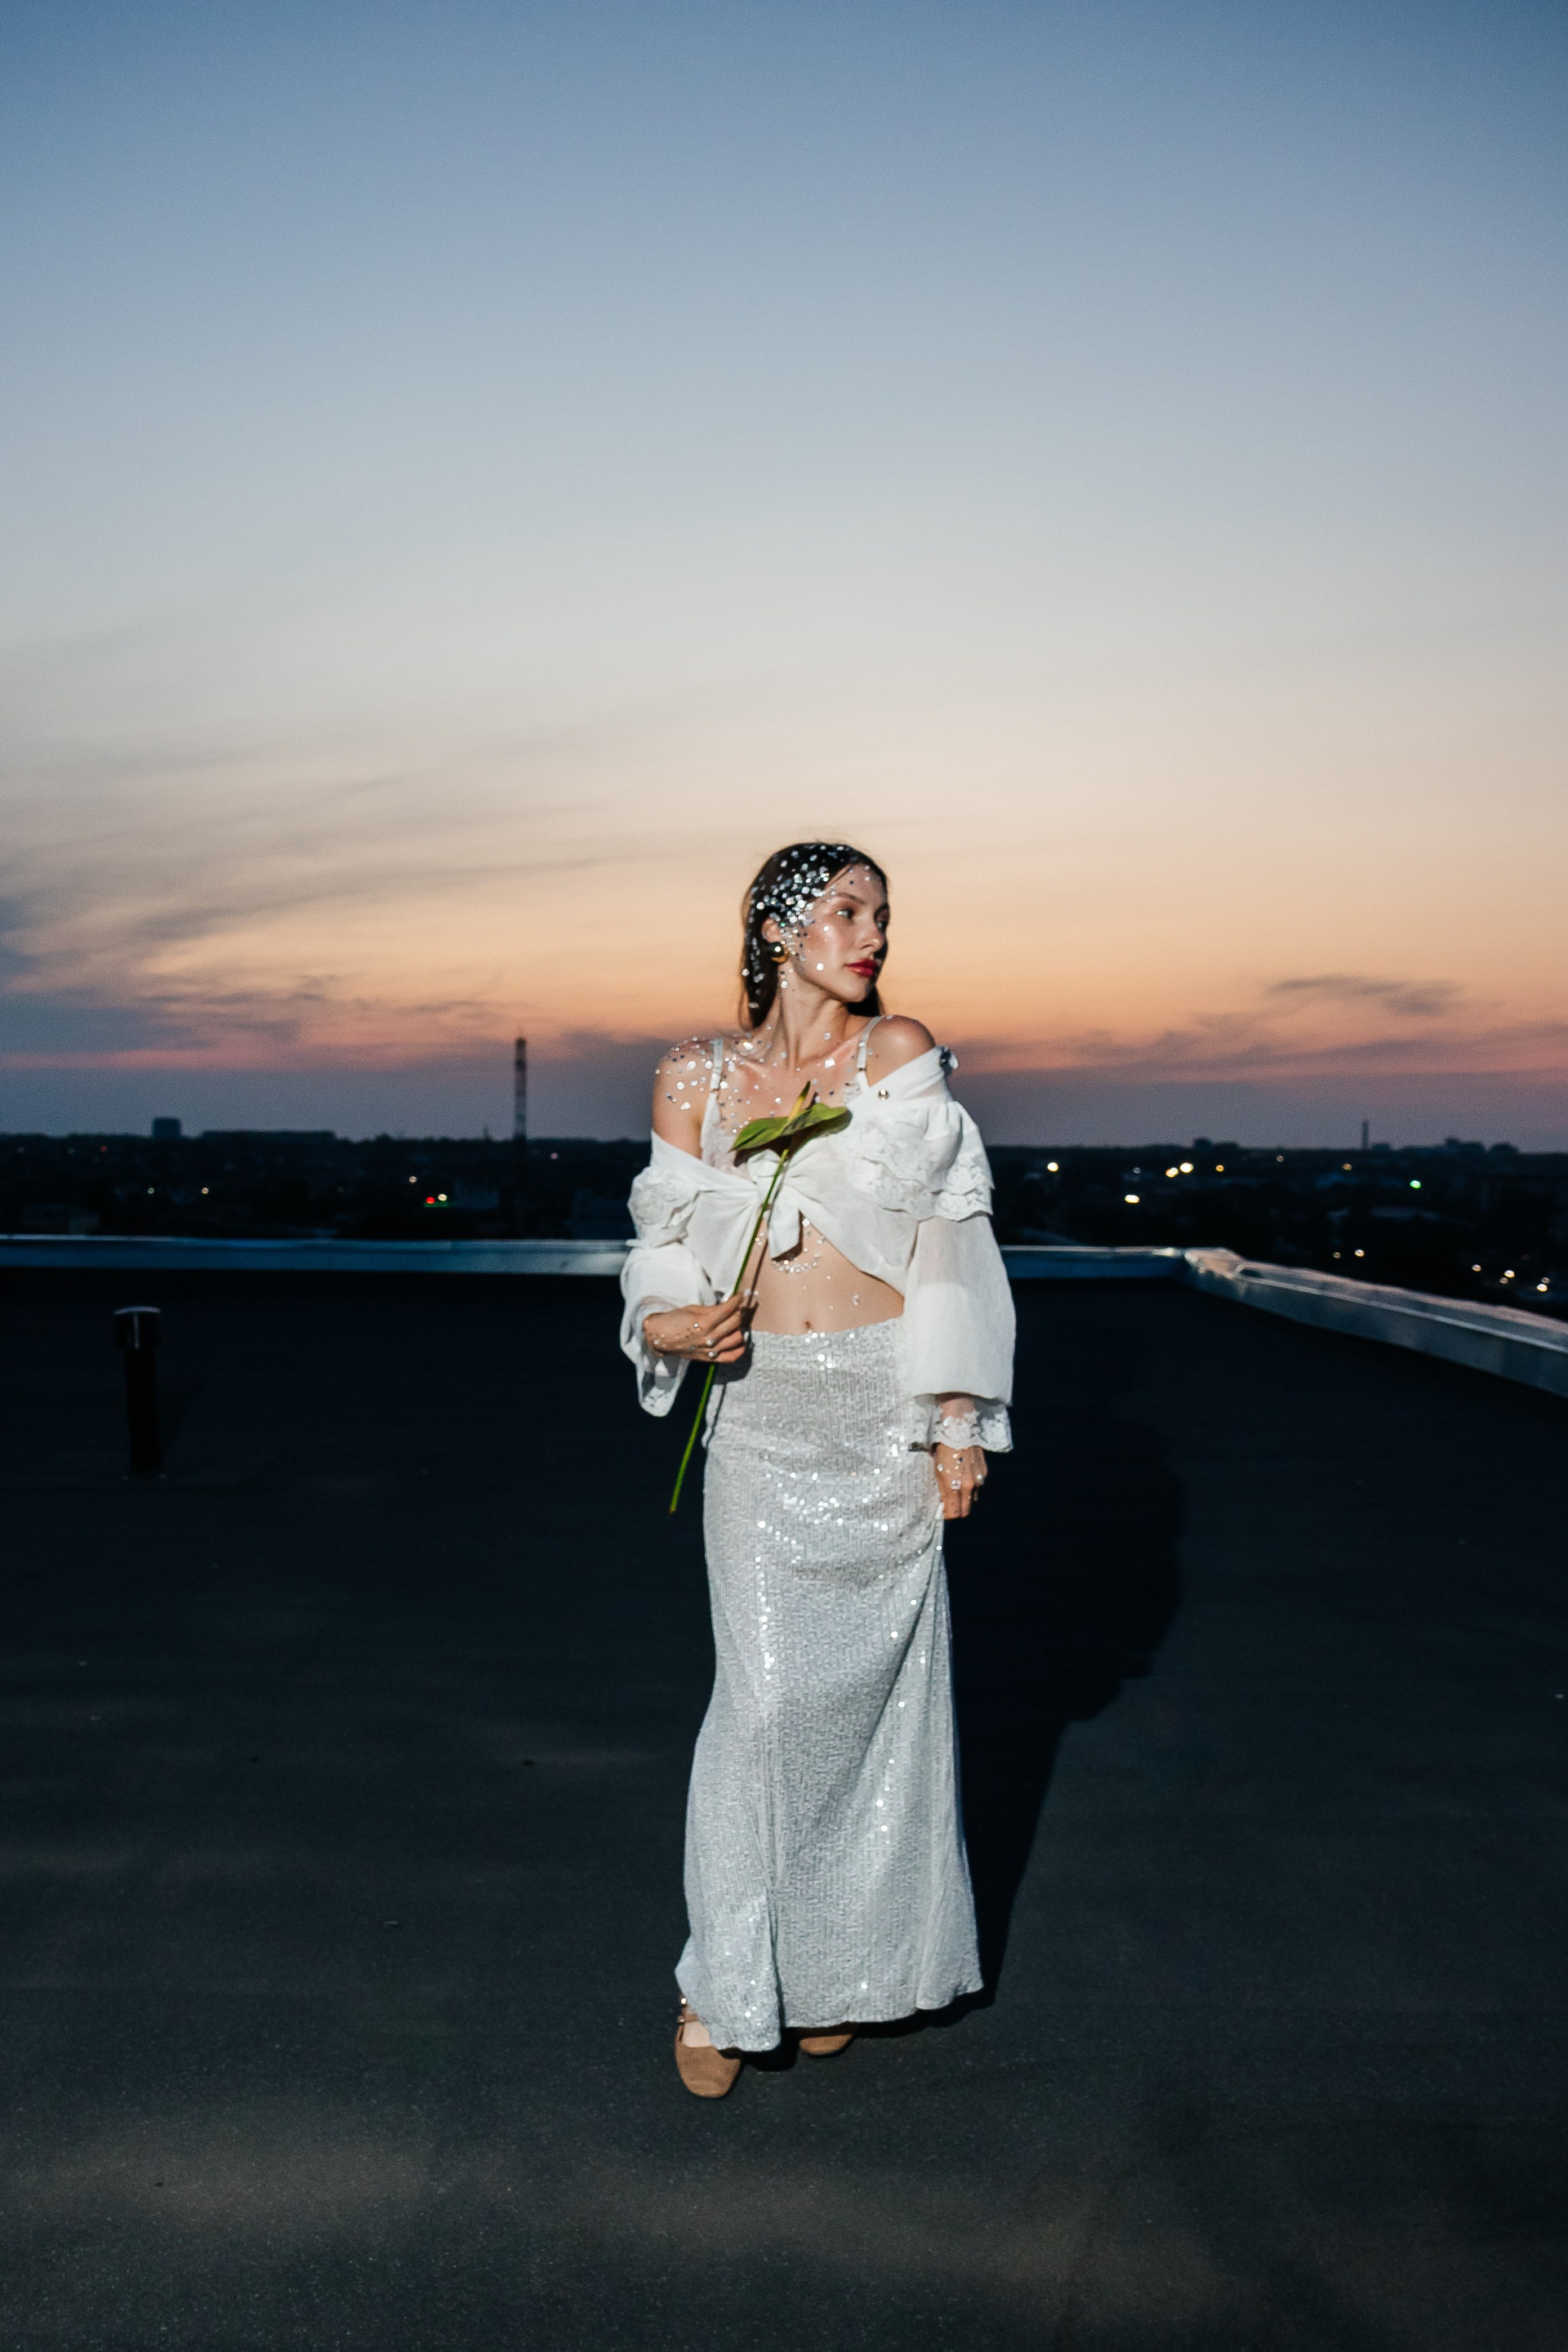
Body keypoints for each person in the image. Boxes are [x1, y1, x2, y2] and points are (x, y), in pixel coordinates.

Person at [620, 841, 1015, 2097]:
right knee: (762, 1711)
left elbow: (950, 1241)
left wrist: (957, 1416)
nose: (872, 933)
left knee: (870, 1714)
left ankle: (833, 1973)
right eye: (846, 910)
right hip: (759, 1418)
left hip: (879, 1410)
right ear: (778, 927)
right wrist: (669, 1320)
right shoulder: (693, 1076)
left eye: (882, 914)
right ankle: (721, 1984)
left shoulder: (897, 1052)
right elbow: (664, 1241)